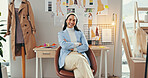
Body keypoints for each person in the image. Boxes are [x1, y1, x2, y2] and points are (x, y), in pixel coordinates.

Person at [58, 13, 94, 78]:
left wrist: (73, 48)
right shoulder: (61, 34)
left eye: (74, 20)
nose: (71, 22)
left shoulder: (80, 33)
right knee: (80, 60)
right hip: (67, 58)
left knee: (79, 72)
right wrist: (77, 44)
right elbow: (64, 45)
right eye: (70, 19)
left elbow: (86, 47)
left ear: (76, 22)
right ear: (66, 21)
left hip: (80, 56)